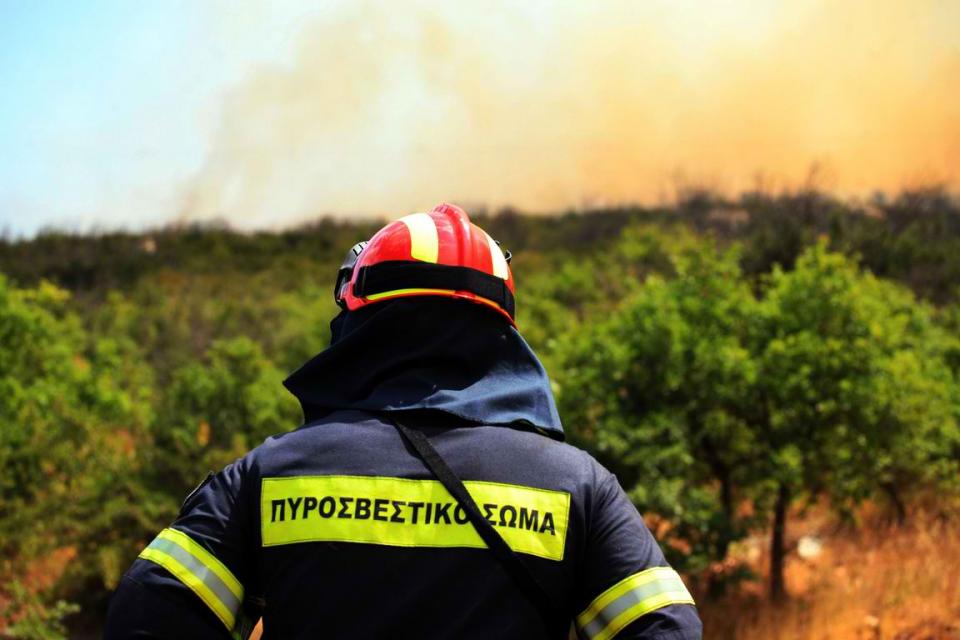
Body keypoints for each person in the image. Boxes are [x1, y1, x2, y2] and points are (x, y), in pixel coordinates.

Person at [104, 203, 702, 640]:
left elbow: (149, 616)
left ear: (361, 322)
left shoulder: (267, 474)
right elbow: (666, 628)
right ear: (501, 332)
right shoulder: (579, 486)